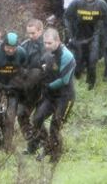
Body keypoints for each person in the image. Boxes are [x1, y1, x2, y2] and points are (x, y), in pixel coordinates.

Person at [26, 28, 76, 163]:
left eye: (50, 43)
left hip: (65, 97)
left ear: (58, 41)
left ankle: (55, 157)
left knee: (55, 126)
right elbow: (42, 72)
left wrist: (46, 86)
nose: (46, 46)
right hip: (50, 96)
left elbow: (64, 80)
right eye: (45, 43)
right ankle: (46, 145)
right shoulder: (46, 54)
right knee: (36, 119)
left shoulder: (67, 56)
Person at [64, 0, 107, 90]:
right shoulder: (76, 2)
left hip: (94, 36)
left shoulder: (101, 4)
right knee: (78, 62)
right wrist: (69, 33)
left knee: (92, 61)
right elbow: (67, 17)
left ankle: (91, 84)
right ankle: (77, 81)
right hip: (79, 35)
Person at [17, 19, 45, 144]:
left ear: (40, 31)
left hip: (45, 88)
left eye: (33, 33)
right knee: (22, 114)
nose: (30, 36)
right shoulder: (24, 45)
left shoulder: (49, 45)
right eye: (28, 33)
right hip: (28, 88)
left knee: (38, 118)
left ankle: (48, 144)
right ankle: (33, 143)